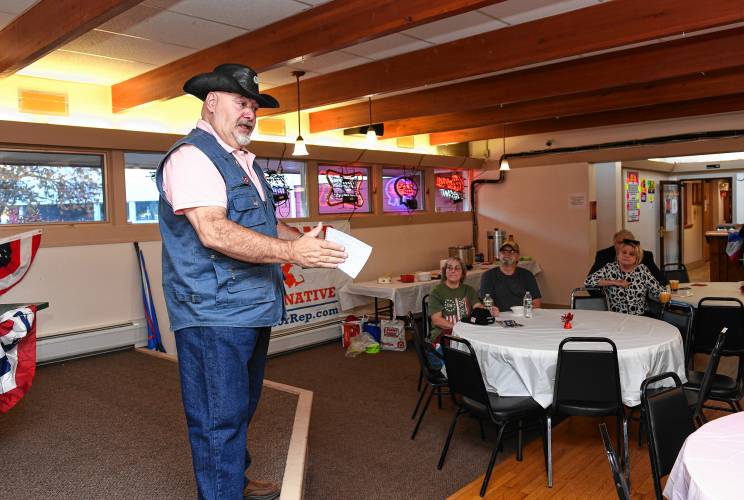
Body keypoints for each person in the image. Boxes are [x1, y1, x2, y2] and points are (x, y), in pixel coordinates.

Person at [156, 64, 347, 500]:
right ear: (211, 103)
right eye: (241, 102)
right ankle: (221, 492)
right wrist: (291, 254)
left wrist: (304, 245)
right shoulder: (192, 157)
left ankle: (233, 482)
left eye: (254, 106)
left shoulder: (244, 162)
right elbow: (213, 231)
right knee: (216, 419)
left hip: (249, 308)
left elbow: (263, 224)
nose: (249, 113)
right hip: (212, 313)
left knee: (239, 409)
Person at [427, 257, 485, 368]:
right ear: (445, 272)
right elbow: (436, 320)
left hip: (467, 336)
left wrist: (487, 310)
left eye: (457, 268)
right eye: (449, 268)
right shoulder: (437, 291)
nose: (453, 271)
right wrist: (458, 329)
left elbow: (478, 308)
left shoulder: (469, 290)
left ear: (463, 273)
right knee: (461, 365)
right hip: (443, 336)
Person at [585, 238, 664, 315]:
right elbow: (588, 281)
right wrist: (615, 282)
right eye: (624, 252)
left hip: (640, 317)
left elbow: (657, 290)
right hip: (616, 317)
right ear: (618, 254)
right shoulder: (610, 268)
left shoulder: (642, 270)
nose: (627, 255)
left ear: (637, 258)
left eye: (631, 254)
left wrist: (667, 295)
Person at [480, 241, 542, 313]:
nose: (507, 254)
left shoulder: (527, 275)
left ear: (518, 257)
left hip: (524, 316)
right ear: (499, 255)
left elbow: (537, 304)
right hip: (499, 318)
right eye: (504, 251)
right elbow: (488, 306)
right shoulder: (488, 276)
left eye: (512, 251)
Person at [588, 229, 666, 285]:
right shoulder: (606, 259)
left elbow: (660, 281)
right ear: (614, 244)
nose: (623, 246)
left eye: (627, 243)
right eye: (620, 242)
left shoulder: (645, 258)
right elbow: (590, 281)